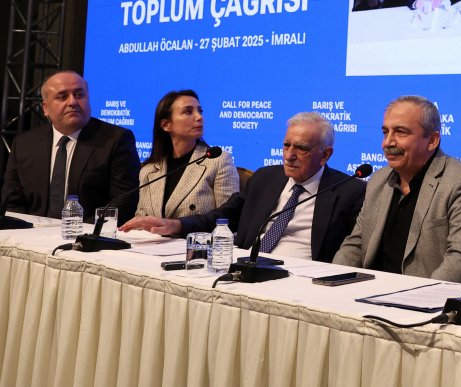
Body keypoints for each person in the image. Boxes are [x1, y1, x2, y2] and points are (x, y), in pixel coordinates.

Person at [120, 112, 365, 263]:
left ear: (325, 155)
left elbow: (353, 252)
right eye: (286, 145)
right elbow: (224, 216)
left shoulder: (348, 191)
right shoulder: (265, 177)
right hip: (248, 269)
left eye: (301, 148)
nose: (289, 156)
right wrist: (177, 225)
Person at [333, 96, 461, 283]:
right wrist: (333, 281)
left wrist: (418, 299)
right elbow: (356, 244)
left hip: (434, 299)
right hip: (372, 294)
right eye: (385, 132)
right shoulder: (378, 180)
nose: (388, 143)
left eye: (400, 132)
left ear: (432, 140)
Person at [3, 71, 140, 223]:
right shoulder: (25, 144)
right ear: (46, 108)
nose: (73, 102)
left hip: (86, 234)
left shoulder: (115, 139)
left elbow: (123, 202)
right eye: (62, 97)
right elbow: (12, 202)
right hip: (33, 233)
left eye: (79, 95)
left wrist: (77, 231)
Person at [134, 89, 238, 219]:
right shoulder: (148, 170)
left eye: (200, 111)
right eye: (188, 112)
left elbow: (229, 218)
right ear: (166, 125)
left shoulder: (218, 161)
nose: (199, 117)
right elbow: (141, 218)